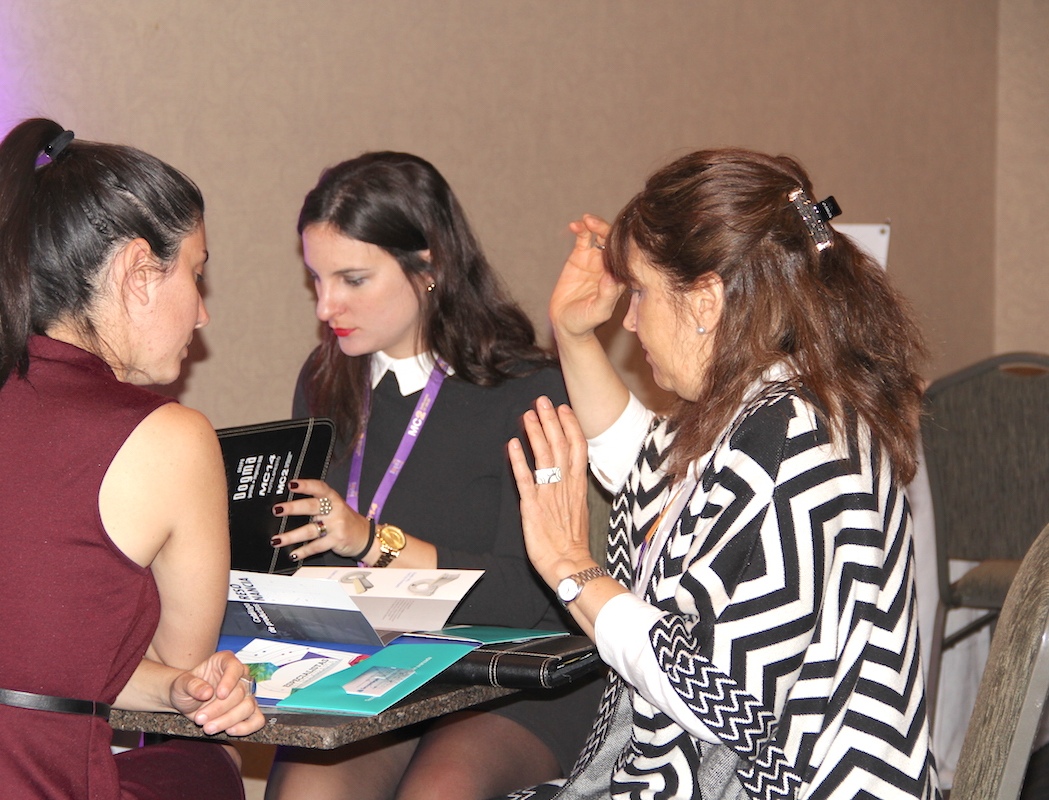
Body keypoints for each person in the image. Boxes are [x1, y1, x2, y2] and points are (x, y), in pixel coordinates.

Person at [505, 148, 940, 800]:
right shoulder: (777, 401)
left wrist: (572, 568)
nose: (629, 319)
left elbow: (720, 697)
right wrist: (573, 335)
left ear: (706, 299)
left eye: (641, 293)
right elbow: (659, 473)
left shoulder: (793, 438)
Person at [0, 118, 264, 800]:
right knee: (206, 768)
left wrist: (175, 689)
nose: (201, 314)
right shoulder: (171, 438)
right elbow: (182, 659)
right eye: (196, 275)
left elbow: (30, 657)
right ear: (139, 272)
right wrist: (188, 683)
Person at [264, 152, 602, 800]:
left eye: (352, 279)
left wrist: (372, 542)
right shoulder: (323, 379)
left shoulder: (529, 390)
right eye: (316, 279)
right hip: (382, 664)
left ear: (430, 267)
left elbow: (528, 598)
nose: (327, 305)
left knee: (438, 792)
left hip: (508, 674)